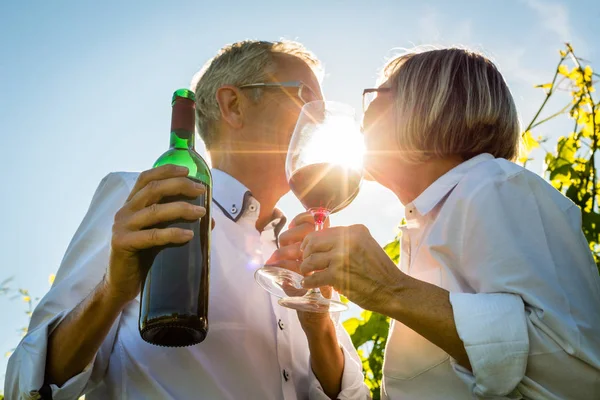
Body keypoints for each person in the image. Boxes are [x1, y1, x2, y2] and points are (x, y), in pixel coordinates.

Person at [5, 40, 369, 400]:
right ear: (233, 105)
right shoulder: (142, 198)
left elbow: (353, 396)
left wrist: (318, 324)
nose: (319, 117)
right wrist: (112, 292)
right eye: (305, 96)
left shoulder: (306, 249)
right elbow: (26, 384)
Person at [271, 47, 600, 399]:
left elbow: (580, 375)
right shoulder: (425, 223)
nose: (365, 115)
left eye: (377, 95)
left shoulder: (494, 186)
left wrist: (392, 291)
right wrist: (318, 321)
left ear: (428, 104)